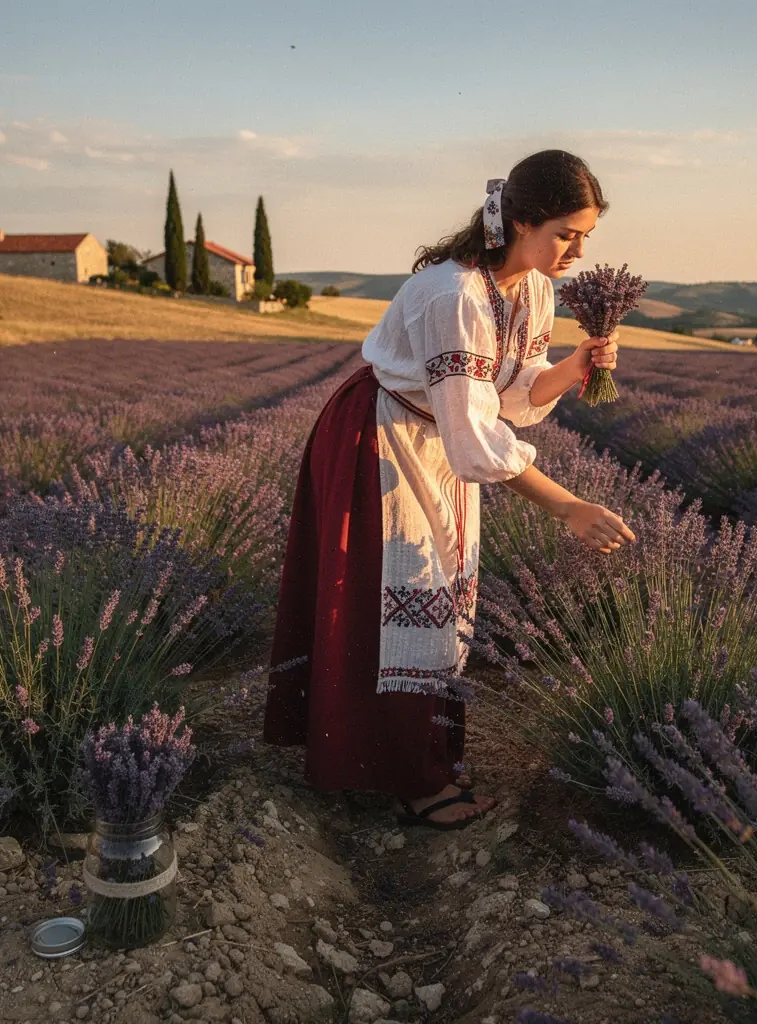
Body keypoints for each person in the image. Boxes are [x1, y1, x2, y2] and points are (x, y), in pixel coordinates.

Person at [263, 149, 635, 830]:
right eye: (565, 233)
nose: (577, 251)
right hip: (380, 441)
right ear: (519, 220)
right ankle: (402, 774)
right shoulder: (452, 293)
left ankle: (420, 761)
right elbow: (476, 437)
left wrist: (576, 364)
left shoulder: (534, 291)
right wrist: (568, 506)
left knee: (438, 595)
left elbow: (516, 398)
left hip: (435, 440)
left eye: (586, 238)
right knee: (396, 597)